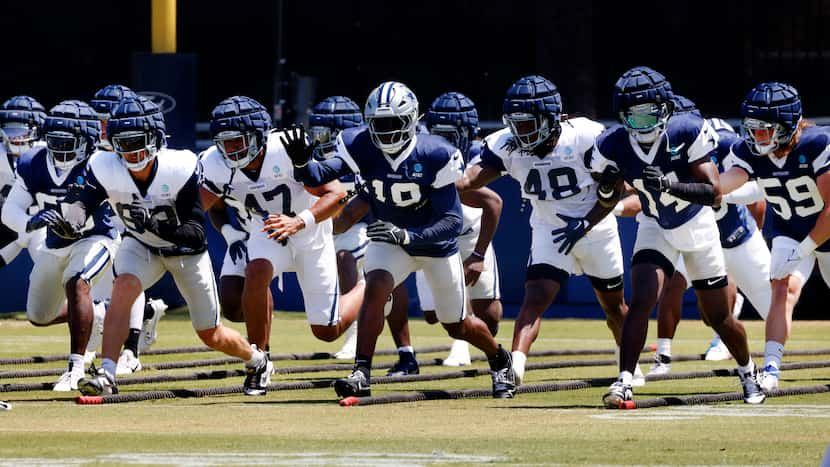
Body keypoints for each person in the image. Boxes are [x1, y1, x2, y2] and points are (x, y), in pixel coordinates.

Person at [286, 81, 516, 399]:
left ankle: (499, 359)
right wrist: (302, 164)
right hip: (390, 238)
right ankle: (361, 372)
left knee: (457, 324)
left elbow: (451, 221)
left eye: (393, 123)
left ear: (410, 120)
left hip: (435, 245)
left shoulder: (436, 153)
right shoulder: (359, 144)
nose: (385, 132)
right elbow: (319, 175)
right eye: (379, 124)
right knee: (376, 287)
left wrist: (410, 234)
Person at [61, 96, 266, 396]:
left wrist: (155, 224)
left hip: (185, 253)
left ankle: (257, 360)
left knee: (211, 334)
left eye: (137, 141)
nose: (131, 152)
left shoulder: (179, 167)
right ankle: (106, 372)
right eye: (124, 143)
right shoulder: (104, 165)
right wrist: (73, 220)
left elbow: (195, 234)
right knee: (124, 288)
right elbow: (83, 201)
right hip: (141, 244)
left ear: (156, 139)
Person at [586, 66, 764, 407]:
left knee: (719, 318)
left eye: (648, 114)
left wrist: (670, 184)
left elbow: (713, 192)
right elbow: (607, 196)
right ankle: (624, 379)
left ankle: (748, 371)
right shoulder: (613, 143)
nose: (642, 124)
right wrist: (608, 187)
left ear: (665, 109)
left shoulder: (687, 130)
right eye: (633, 116)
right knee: (641, 301)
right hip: (655, 225)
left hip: (697, 226)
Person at [457, 75, 640, 386]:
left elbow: (617, 185)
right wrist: (444, 184)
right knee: (535, 298)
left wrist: (587, 221)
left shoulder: (584, 136)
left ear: (551, 118)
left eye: (528, 124)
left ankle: (629, 369)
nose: (520, 132)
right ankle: (515, 367)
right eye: (516, 124)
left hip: (595, 228)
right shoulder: (506, 144)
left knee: (613, 307)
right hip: (550, 228)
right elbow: (469, 180)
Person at [200, 95, 365, 395]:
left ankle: (369, 290)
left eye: (239, 141)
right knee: (257, 270)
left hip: (310, 231)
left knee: (327, 331)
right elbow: (197, 205)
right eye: (225, 142)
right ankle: (259, 360)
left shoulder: (285, 151)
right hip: (268, 227)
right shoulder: (213, 162)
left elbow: (337, 195)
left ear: (259, 136)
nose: (231, 149)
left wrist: (300, 221)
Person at [640, 96, 771, 375]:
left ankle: (770, 365)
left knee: (773, 307)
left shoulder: (722, 142)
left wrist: (720, 195)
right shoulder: (659, 148)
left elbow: (759, 192)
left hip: (736, 237)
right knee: (674, 285)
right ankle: (663, 356)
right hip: (696, 233)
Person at [382, 91, 504, 373]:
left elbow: (493, 203)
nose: (444, 141)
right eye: (439, 133)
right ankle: (457, 343)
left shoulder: (482, 155)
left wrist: (478, 254)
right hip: (435, 237)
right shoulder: (419, 149)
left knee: (491, 315)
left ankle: (489, 354)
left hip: (470, 233)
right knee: (433, 314)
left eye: (450, 135)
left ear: (467, 133)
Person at [720, 82, 830, 391]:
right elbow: (739, 186)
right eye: (754, 128)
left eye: (766, 129)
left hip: (825, 228)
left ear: (787, 125)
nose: (758, 136)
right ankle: (771, 368)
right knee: (782, 288)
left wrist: (806, 248)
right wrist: (704, 190)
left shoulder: (817, 143)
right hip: (789, 228)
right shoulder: (748, 151)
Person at [2, 100, 115, 391]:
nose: (60, 147)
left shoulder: (101, 164)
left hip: (96, 237)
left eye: (69, 141)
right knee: (39, 316)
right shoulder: (33, 162)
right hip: (54, 243)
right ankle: (98, 313)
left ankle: (76, 367)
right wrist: (31, 221)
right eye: (55, 140)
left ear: (88, 141)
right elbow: (10, 210)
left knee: (78, 281)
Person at [89, 83, 168, 374]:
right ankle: (146, 314)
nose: (103, 127)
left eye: (108, 120)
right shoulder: (94, 151)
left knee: (127, 278)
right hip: (103, 220)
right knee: (98, 291)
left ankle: (130, 352)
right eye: (98, 120)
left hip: (137, 220)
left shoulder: (143, 146)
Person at [0, 96, 47, 268]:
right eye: (10, 130)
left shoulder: (48, 154)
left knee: (54, 275)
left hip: (43, 226)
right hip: (9, 224)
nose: (15, 137)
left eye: (21, 130)